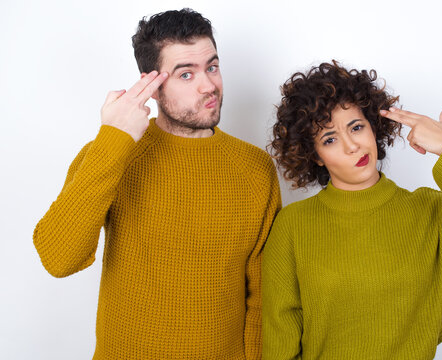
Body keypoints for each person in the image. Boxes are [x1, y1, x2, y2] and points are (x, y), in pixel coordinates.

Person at [33, 9, 280, 359]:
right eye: (186, 74)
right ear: (151, 85)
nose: (208, 85)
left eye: (212, 66)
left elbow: (261, 297)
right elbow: (59, 258)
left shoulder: (255, 168)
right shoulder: (112, 153)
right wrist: (112, 142)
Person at [262, 61, 442, 359]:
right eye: (330, 138)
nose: (352, 145)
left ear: (373, 127)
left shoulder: (429, 212)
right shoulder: (293, 226)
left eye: (356, 126)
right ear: (316, 156)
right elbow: (281, 343)